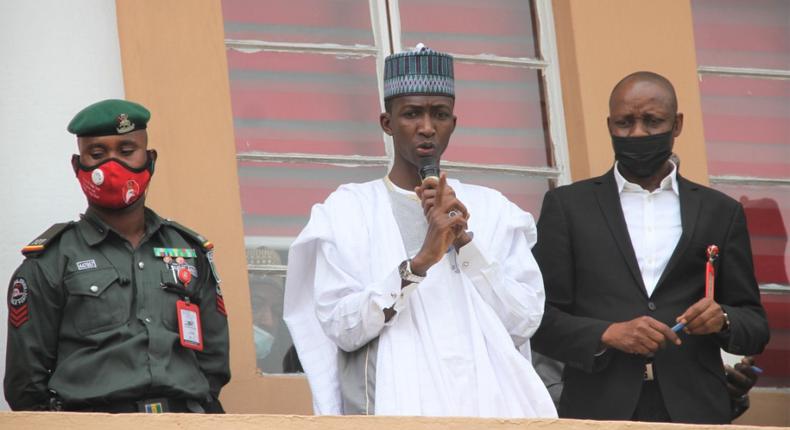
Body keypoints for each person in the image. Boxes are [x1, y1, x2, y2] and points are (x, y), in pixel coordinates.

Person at [284, 44, 556, 417]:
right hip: (395, 410)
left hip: (490, 410)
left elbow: (523, 320)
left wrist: (466, 245)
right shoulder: (347, 211)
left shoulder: (494, 210)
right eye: (412, 113)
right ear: (387, 122)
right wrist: (419, 263)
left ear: (453, 124)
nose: (427, 127)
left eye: (439, 114)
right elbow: (341, 325)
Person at [530, 71, 770, 424]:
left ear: (677, 124)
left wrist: (723, 319)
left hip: (696, 410)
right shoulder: (567, 207)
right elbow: (539, 319)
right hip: (597, 410)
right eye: (625, 123)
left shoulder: (721, 212)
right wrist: (607, 333)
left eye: (652, 121)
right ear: (609, 125)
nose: (638, 133)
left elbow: (755, 325)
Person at [5, 99, 230, 413]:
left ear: (150, 160)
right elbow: (25, 385)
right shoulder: (51, 260)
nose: (112, 166)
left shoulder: (189, 251)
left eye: (127, 152)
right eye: (97, 154)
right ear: (77, 166)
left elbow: (214, 364)